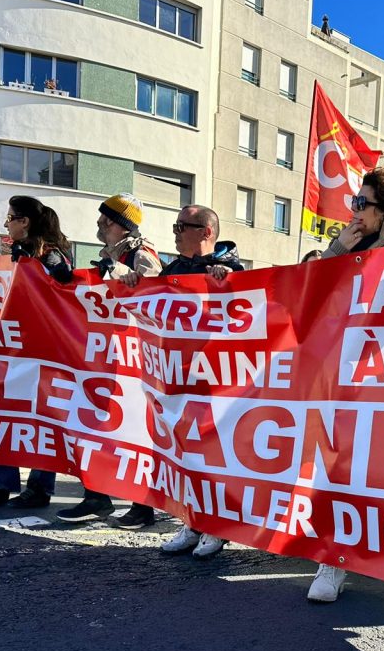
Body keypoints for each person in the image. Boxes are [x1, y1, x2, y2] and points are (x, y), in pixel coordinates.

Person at [308, 167, 384, 602]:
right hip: (346, 375)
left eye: (363, 204)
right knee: (339, 465)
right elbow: (315, 289)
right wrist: (340, 245)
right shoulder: (348, 248)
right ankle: (334, 559)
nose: (356, 211)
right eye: (355, 204)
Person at [139, 205, 244, 558]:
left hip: (215, 383)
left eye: (184, 226)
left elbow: (249, 308)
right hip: (178, 382)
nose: (176, 231)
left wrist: (227, 279)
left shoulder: (232, 267)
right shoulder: (174, 270)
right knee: (184, 458)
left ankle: (216, 528)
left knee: (213, 460)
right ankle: (192, 523)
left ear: (206, 232)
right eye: (176, 225)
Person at [55, 194, 164, 526]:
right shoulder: (110, 256)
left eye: (106, 221)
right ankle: (96, 497)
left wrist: (120, 272)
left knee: (135, 433)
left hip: (133, 363)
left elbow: (157, 297)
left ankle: (142, 506)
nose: (99, 225)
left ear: (122, 225)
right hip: (108, 358)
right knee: (96, 428)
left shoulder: (143, 255)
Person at [0, 196, 73, 506]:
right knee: (4, 413)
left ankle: (39, 489)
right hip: (10, 348)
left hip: (43, 351)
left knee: (41, 419)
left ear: (24, 222)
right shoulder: (7, 254)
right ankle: (0, 482)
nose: (6, 224)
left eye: (10, 218)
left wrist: (28, 264)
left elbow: (63, 290)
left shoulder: (52, 255)